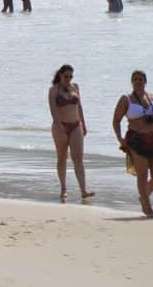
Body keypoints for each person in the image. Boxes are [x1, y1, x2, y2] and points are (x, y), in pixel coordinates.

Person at [112, 70, 153, 218]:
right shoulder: (126, 99)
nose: (138, 81)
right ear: (131, 81)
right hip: (137, 140)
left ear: (145, 81)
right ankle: (147, 208)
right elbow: (116, 120)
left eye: (141, 79)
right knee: (142, 174)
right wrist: (120, 138)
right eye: (135, 79)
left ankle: (143, 197)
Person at [48, 64, 93, 202]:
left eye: (70, 76)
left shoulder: (75, 87)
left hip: (75, 126)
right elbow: (53, 109)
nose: (68, 78)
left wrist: (83, 124)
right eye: (66, 76)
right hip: (60, 126)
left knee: (78, 158)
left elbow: (79, 107)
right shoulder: (53, 90)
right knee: (62, 157)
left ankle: (83, 190)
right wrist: (59, 125)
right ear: (60, 75)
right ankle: (63, 189)